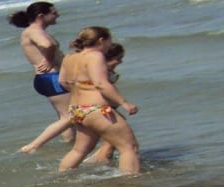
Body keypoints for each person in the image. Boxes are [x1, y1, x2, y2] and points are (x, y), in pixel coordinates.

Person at [57, 27, 140, 175]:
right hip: (97, 109)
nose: (109, 45)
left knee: (79, 150)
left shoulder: (69, 57)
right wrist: (124, 103)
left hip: (77, 109)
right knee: (129, 147)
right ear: (101, 40)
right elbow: (101, 84)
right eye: (109, 41)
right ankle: (130, 181)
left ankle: (61, 176)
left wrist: (83, 90)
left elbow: (62, 82)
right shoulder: (95, 56)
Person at [21, 42, 125, 155]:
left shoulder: (94, 65)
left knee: (78, 128)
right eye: (118, 59)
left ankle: (96, 154)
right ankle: (34, 145)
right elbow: (66, 81)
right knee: (70, 119)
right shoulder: (95, 68)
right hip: (93, 106)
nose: (120, 62)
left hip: (96, 106)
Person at [9, 3, 73, 147]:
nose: (58, 15)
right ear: (41, 16)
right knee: (70, 117)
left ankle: (69, 146)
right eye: (54, 12)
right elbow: (48, 45)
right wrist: (49, 60)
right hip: (52, 78)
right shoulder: (33, 31)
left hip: (50, 78)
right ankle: (32, 147)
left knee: (65, 117)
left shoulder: (35, 31)